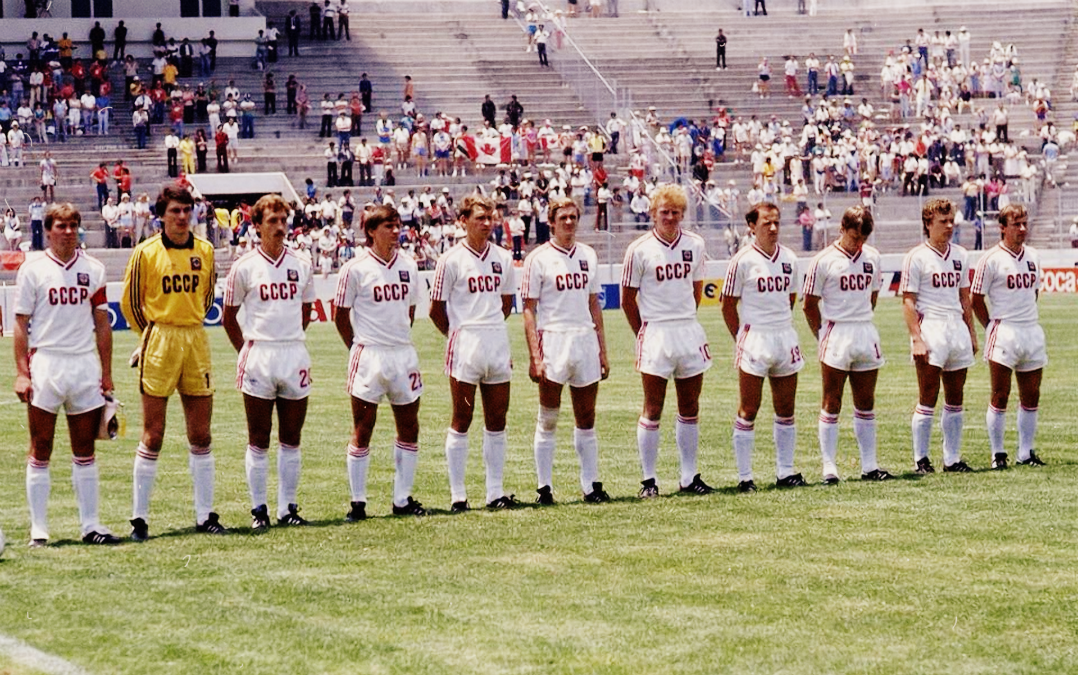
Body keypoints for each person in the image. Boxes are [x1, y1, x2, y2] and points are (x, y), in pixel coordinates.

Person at [121, 185, 226, 541]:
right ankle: (140, 518)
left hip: (195, 338)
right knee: (154, 434)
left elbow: (208, 295)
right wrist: (148, 335)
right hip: (160, 338)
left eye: (186, 210)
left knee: (201, 433)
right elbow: (131, 304)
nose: (182, 217)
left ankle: (205, 514)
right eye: (175, 212)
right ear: (161, 216)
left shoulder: (206, 250)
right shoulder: (145, 253)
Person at [14, 203, 121, 547]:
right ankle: (39, 529)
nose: (68, 230)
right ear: (48, 230)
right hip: (46, 362)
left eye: (73, 224)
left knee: (85, 448)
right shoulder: (33, 269)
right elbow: (20, 324)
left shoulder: (94, 268)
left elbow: (102, 324)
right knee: (41, 446)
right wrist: (21, 373)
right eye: (61, 225)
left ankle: (90, 524)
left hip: (83, 364)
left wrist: (106, 373)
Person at [223, 195, 316, 530]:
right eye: (272, 221)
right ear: (256, 225)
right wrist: (246, 352)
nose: (279, 226)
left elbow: (306, 311)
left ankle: (287, 508)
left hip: (293, 352)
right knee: (258, 438)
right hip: (259, 355)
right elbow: (229, 317)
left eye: (283, 220)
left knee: (292, 437)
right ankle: (258, 509)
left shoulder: (302, 263)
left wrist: (288, 336)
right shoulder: (244, 266)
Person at [334, 205, 426, 520]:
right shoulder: (355, 268)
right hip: (368, 354)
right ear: (372, 231)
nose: (396, 231)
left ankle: (402, 499)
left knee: (409, 425)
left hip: (402, 352)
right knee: (363, 427)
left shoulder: (410, 266)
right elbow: (341, 316)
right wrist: (358, 347)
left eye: (398, 225)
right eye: (389, 225)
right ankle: (358, 502)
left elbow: (410, 311)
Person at [621, 184, 713, 498]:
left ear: (682, 214)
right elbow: (627, 300)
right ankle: (649, 481)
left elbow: (695, 290)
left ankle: (689, 477)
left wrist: (683, 318)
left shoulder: (696, 244)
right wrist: (643, 333)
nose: (670, 217)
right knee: (652, 407)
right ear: (653, 214)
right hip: (656, 331)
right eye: (664, 212)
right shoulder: (639, 249)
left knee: (690, 406)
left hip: (687, 330)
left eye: (675, 212)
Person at [429, 195, 518, 512]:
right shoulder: (450, 260)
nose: (486, 223)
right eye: (479, 217)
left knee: (497, 419)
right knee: (461, 418)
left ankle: (495, 492)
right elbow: (436, 309)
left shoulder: (504, 258)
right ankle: (458, 495)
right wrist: (457, 334)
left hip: (496, 340)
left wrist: (488, 328)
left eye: (490, 218)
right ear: (463, 221)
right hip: (464, 341)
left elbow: (505, 305)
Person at [522, 198, 610, 505]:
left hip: (584, 339)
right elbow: (529, 310)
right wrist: (535, 356)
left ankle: (591, 485)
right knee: (548, 417)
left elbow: (593, 303)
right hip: (553, 339)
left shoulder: (588, 255)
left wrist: (602, 350)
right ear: (552, 222)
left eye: (574, 217)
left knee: (586, 417)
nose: (569, 223)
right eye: (563, 218)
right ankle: (544, 487)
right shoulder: (538, 259)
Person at [801, 206, 893, 484]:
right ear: (842, 230)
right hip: (836, 332)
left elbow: (873, 296)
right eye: (854, 237)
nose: (859, 244)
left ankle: (869, 466)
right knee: (832, 401)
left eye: (863, 239)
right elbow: (809, 305)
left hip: (864, 331)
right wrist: (823, 334)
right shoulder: (823, 261)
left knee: (866, 402)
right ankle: (829, 467)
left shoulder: (872, 257)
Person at [721, 202, 805, 491]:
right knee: (749, 409)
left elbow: (790, 299)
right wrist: (741, 338)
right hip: (754, 338)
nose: (772, 228)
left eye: (777, 222)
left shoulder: (790, 259)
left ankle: (785, 471)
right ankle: (745, 477)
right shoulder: (742, 260)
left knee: (786, 409)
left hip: (783, 336)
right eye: (766, 223)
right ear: (752, 227)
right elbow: (728, 305)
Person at [899, 198, 978, 474]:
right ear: (927, 224)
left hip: (955, 327)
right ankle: (921, 459)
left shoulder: (960, 255)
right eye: (942, 221)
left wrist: (971, 333)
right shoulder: (916, 257)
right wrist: (917, 338)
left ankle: (952, 459)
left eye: (951, 221)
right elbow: (908, 301)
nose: (948, 226)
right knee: (928, 394)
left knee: (956, 395)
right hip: (930, 327)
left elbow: (964, 297)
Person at [971, 204, 1047, 469]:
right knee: (1000, 394)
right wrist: (991, 326)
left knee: (1031, 395)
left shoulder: (1033, 256)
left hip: (1031, 329)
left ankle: (1025, 452)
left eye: (1025, 223)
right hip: (1004, 331)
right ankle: (998, 453)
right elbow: (976, 298)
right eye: (1017, 224)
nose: (1022, 229)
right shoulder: (990, 259)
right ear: (1002, 227)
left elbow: (1034, 292)